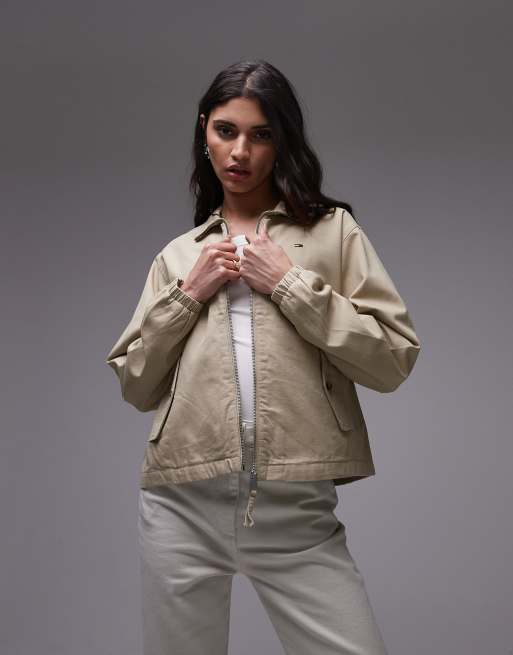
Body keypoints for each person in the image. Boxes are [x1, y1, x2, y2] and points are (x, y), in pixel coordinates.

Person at [105, 59, 421, 655]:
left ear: (283, 141)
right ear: (204, 130)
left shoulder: (333, 233)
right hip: (181, 506)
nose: (240, 152)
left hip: (295, 508)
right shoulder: (179, 256)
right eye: (226, 131)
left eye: (261, 134)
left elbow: (391, 359)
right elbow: (136, 384)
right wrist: (188, 294)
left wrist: (289, 283)